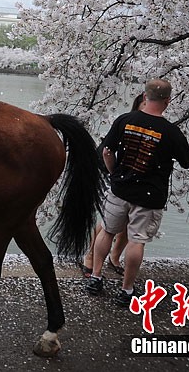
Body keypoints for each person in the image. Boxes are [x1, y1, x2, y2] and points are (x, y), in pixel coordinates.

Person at [85, 78, 189, 306]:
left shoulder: (125, 120)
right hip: (149, 196)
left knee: (107, 232)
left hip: (120, 189)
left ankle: (95, 277)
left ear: (145, 96)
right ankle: (127, 290)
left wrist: (115, 174)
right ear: (167, 101)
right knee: (136, 242)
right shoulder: (170, 132)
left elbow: (107, 152)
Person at [80, 92, 146, 277]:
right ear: (138, 106)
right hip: (113, 172)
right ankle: (91, 256)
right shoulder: (125, 122)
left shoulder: (156, 127)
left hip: (138, 178)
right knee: (109, 219)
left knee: (132, 219)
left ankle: (115, 257)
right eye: (144, 104)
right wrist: (116, 174)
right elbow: (108, 150)